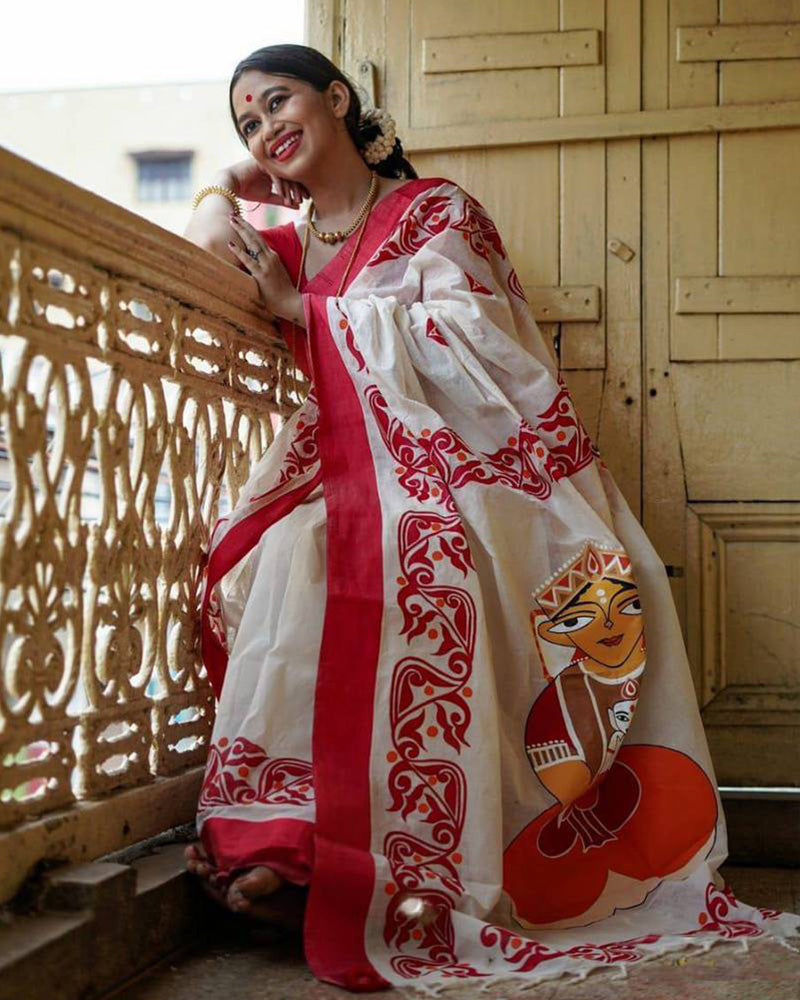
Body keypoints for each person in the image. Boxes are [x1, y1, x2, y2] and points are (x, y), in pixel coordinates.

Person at [182, 43, 799, 994]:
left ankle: (401, 861)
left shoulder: (435, 211)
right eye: (248, 125)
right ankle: (301, 839)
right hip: (356, 468)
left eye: (278, 103)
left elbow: (479, 342)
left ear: (338, 99)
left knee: (401, 550)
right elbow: (200, 249)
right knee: (304, 545)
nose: (267, 128)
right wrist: (223, 191)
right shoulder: (297, 241)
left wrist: (312, 319)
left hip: (467, 467)